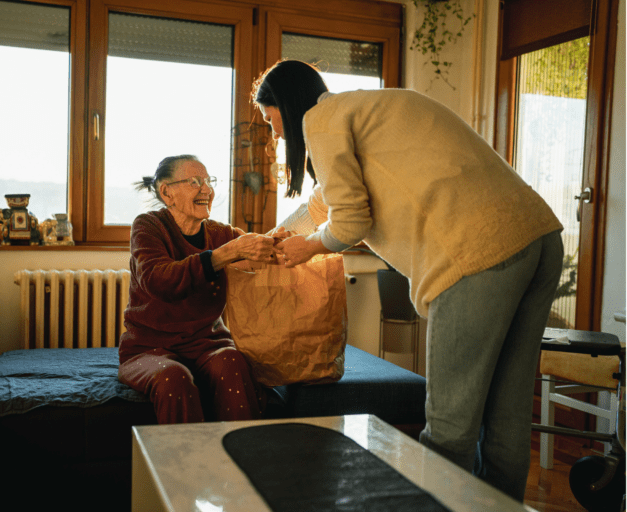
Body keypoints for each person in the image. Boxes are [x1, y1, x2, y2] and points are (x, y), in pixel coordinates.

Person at [253, 60, 564, 502]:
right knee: (507, 415)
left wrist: (308, 248)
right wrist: (271, 240)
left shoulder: (319, 119)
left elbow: (350, 221)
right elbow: (323, 206)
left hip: (478, 252)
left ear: (285, 103)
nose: (276, 134)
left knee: (450, 425)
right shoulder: (370, 111)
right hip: (539, 236)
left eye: (270, 120)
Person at [118, 154, 278, 424]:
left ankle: (244, 457)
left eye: (208, 181)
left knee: (233, 362)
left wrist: (280, 244)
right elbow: (159, 280)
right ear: (167, 192)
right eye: (194, 181)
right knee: (174, 378)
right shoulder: (147, 227)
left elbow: (260, 252)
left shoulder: (220, 233)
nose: (207, 189)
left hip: (209, 344)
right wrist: (222, 255)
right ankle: (185, 465)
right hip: (149, 349)